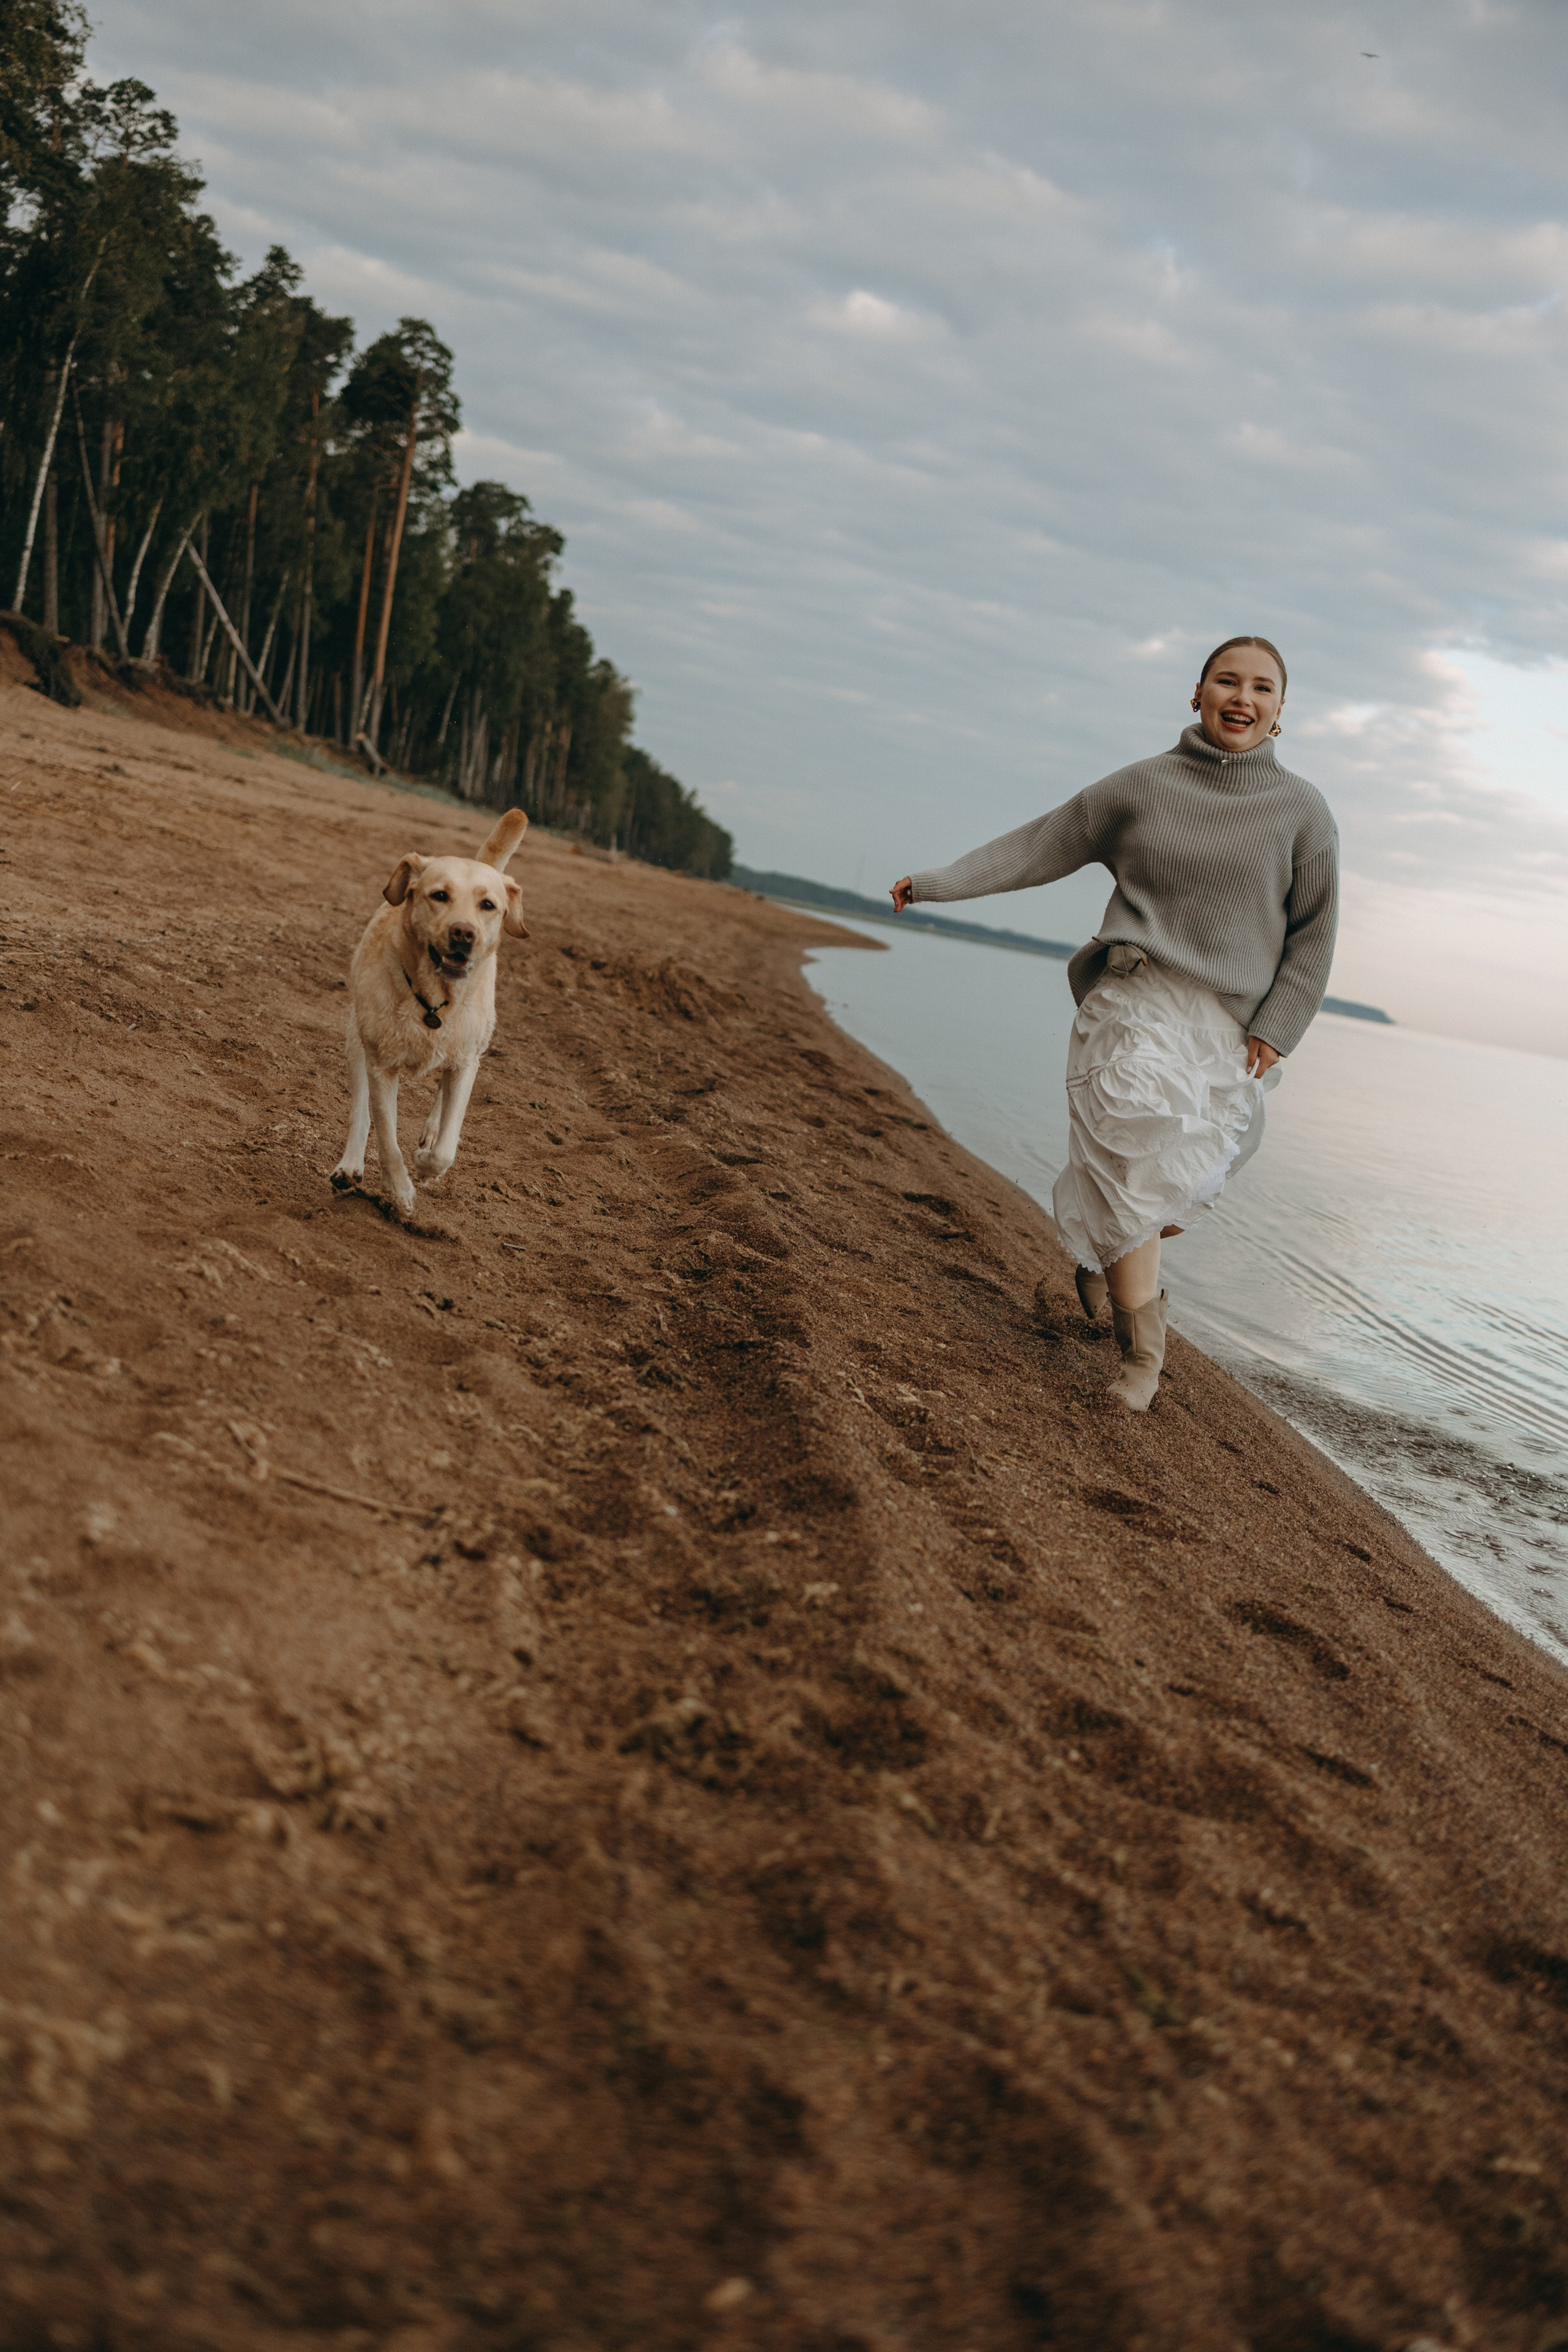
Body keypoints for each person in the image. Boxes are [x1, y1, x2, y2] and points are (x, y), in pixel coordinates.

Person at [889, 636, 1338, 1412]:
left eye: (1261, 688)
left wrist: (1280, 1023)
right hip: (1130, 999)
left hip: (1225, 1026)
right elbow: (1038, 845)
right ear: (1194, 694)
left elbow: (1315, 931)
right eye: (1226, 680)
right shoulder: (1141, 787)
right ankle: (1143, 1355)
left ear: (1279, 711)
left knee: (1177, 1177)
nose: (1242, 697)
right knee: (1134, 1147)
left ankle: (1106, 1254)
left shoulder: (1302, 812)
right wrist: (937, 884)